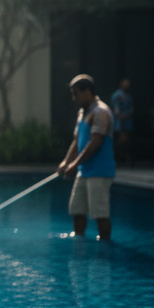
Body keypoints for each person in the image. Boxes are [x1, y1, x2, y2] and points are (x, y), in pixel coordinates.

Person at [57, 74, 115, 241]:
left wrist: (74, 164)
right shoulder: (83, 112)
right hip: (84, 171)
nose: (74, 98)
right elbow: (77, 141)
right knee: (77, 210)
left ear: (87, 91)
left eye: (76, 93)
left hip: (99, 171)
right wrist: (66, 161)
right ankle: (79, 244)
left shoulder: (101, 112)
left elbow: (95, 142)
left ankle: (105, 249)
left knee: (100, 214)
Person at [110, 77, 134, 166]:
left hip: (127, 121)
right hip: (120, 122)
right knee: (122, 140)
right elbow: (116, 109)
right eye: (125, 83)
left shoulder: (128, 95)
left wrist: (128, 114)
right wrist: (120, 116)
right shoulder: (117, 95)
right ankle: (120, 159)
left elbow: (131, 108)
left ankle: (125, 159)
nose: (127, 85)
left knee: (126, 140)